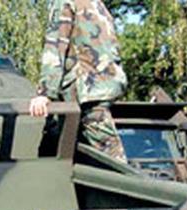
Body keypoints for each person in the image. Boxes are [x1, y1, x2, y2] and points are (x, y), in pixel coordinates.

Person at [29, 0, 128, 161]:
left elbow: (55, 47)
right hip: (105, 85)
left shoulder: (64, 3)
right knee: (72, 152)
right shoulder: (97, 4)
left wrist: (45, 93)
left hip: (85, 90)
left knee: (112, 162)